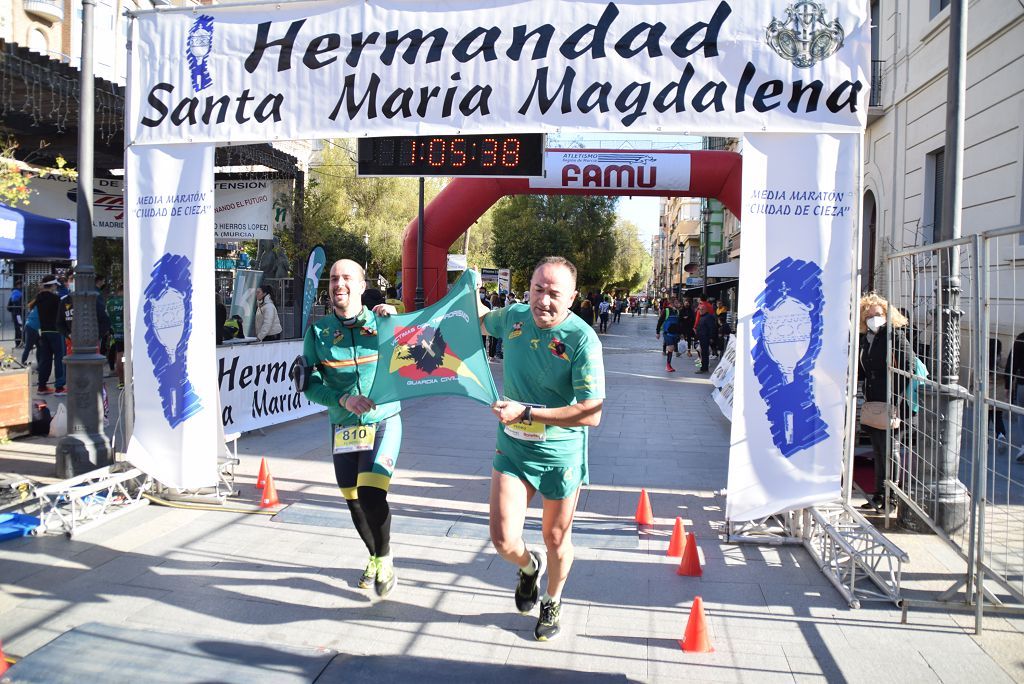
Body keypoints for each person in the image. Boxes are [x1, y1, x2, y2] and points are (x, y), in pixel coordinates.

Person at [482, 256, 604, 641]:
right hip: (514, 450)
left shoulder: (582, 340)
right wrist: (396, 314)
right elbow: (477, 316)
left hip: (560, 457)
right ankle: (529, 566)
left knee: (555, 537)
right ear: (528, 288)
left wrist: (527, 412)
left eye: (554, 293)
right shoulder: (514, 318)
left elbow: (592, 412)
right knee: (503, 540)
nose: (544, 301)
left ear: (571, 298)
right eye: (538, 289)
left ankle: (552, 598)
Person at [302, 259, 401, 598]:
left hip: (383, 420)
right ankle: (374, 556)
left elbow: (421, 332)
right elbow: (309, 384)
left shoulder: (384, 322)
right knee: (354, 501)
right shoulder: (318, 332)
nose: (338, 284)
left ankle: (385, 558)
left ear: (361, 286)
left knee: (372, 494)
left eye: (346, 278)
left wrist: (397, 312)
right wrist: (342, 400)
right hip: (343, 426)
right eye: (332, 278)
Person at [858, 293, 914, 509]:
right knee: (878, 449)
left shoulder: (895, 336)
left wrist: (895, 399)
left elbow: (907, 368)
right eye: (870, 315)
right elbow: (865, 368)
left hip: (892, 402)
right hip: (873, 402)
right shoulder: (866, 339)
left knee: (891, 449)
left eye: (878, 314)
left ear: (887, 315)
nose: (874, 318)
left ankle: (892, 496)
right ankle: (879, 493)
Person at [35, 276, 65, 395]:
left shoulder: (39, 298)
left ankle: (42, 386)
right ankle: (59, 387)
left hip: (44, 332)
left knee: (45, 359)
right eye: (55, 285)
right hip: (56, 332)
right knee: (59, 359)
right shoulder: (56, 299)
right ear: (52, 285)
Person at [1005, 331, 1024, 463]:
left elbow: (1011, 363)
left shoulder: (1021, 338)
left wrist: (1007, 385)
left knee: (1021, 414)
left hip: (1023, 383)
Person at [106, 285, 126, 389]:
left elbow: (106, 318)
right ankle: (130, 378)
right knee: (127, 357)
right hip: (128, 332)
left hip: (116, 333)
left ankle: (121, 381)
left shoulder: (110, 303)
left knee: (120, 354)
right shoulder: (127, 300)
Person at [655, 298, 682, 372]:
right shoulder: (666, 311)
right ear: (672, 303)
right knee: (670, 348)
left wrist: (680, 333)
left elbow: (679, 323)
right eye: (676, 303)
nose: (678, 304)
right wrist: (657, 332)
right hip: (667, 333)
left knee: (671, 349)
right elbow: (660, 321)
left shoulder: (677, 311)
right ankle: (668, 365)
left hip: (675, 333)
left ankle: (669, 365)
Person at [695, 298, 719, 374]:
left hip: (706, 338)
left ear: (705, 310)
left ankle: (704, 368)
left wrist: (711, 337)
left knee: (705, 353)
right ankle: (703, 367)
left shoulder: (708, 317)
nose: (700, 311)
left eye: (701, 309)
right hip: (702, 337)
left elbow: (712, 328)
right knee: (703, 353)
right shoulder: (703, 317)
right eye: (699, 310)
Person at [20, 297, 40, 366]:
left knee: (39, 345)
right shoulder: (41, 306)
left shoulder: (34, 306)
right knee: (29, 346)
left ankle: (39, 363)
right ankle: (23, 362)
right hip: (33, 328)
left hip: (29, 326)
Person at [7, 280, 23, 347]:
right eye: (22, 284)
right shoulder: (17, 292)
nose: (23, 286)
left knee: (19, 327)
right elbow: (15, 302)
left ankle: (19, 343)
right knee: (19, 327)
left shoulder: (15, 292)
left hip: (16, 313)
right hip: (17, 313)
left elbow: (9, 306)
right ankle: (18, 343)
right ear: (18, 285)